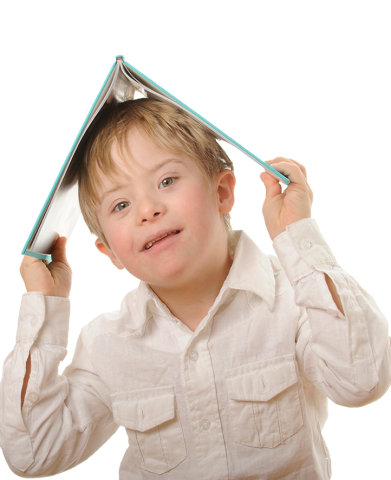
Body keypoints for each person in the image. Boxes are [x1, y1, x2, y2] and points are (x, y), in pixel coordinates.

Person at [1, 97, 390, 479]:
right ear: (109, 252)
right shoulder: (106, 343)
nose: (147, 209)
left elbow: (361, 381)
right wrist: (44, 307)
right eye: (120, 205)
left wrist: (297, 235)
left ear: (221, 192)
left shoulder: (294, 298)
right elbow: (34, 454)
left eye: (166, 181)